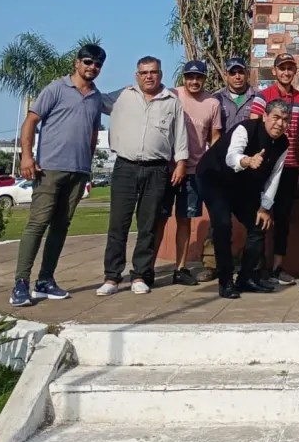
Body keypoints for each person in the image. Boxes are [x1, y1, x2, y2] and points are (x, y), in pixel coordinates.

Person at [10, 44, 107, 308]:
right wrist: (27, 157)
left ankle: (45, 281)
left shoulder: (96, 97)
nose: (92, 68)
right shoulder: (56, 89)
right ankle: (20, 283)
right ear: (77, 63)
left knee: (61, 226)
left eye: (97, 64)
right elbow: (30, 121)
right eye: (88, 62)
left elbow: (93, 134)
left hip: (79, 171)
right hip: (50, 168)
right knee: (38, 224)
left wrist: (87, 167)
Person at [97, 57, 188, 296]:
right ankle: (112, 277)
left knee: (148, 225)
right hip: (125, 167)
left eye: (153, 72)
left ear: (161, 74)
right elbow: (93, 101)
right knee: (118, 224)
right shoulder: (123, 96)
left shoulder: (171, 101)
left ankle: (140, 274)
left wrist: (181, 163)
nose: (149, 76)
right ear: (136, 75)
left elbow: (180, 134)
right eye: (144, 72)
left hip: (157, 169)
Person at [195, 101, 290, 299]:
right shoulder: (245, 128)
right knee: (222, 225)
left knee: (258, 225)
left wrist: (265, 207)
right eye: (276, 117)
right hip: (214, 177)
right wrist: (248, 160)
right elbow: (232, 158)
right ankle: (225, 282)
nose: (280, 124)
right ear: (265, 116)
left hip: (241, 186)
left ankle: (246, 278)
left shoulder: (283, 144)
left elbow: (275, 177)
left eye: (285, 120)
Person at [154, 60, 221, 287]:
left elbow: (214, 137)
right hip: (166, 167)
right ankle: (147, 269)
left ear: (204, 79)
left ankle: (180, 268)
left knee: (184, 220)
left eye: (199, 77)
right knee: (159, 218)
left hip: (194, 171)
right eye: (190, 77)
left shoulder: (212, 102)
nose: (194, 81)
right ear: (184, 78)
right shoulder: (172, 95)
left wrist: (212, 164)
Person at [195, 56, 261, 282]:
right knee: (218, 218)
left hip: (246, 165)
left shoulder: (257, 98)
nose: (237, 76)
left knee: (251, 215)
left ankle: (250, 264)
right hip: (220, 166)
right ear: (226, 75)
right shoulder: (216, 100)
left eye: (240, 72)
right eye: (232, 72)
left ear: (247, 73)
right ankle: (212, 263)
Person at [250, 53, 299, 284]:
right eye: (282, 68)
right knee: (260, 214)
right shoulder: (263, 97)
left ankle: (277, 267)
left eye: (290, 68)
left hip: (290, 164)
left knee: (283, 217)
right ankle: (256, 266)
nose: (286, 72)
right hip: (266, 164)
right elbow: (254, 127)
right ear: (274, 71)